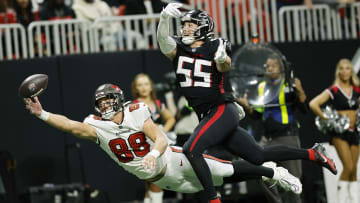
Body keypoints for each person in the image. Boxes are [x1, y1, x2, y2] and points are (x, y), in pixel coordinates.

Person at [156, 3, 337, 202]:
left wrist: (222, 58)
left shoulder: (216, 45)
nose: (186, 28)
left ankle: (212, 199)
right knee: (258, 156)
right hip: (208, 114)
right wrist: (164, 19)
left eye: (191, 25)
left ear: (204, 27)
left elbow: (224, 66)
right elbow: (163, 40)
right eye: (185, 25)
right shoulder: (178, 49)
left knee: (191, 150)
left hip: (221, 109)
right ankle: (313, 154)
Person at [23, 84, 303, 199]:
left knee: (225, 170)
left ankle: (273, 171)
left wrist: (154, 155)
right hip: (163, 178)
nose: (105, 105)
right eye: (102, 102)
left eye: (109, 100)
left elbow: (158, 137)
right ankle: (267, 172)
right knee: (212, 184)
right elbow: (71, 126)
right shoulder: (97, 125)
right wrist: (42, 113)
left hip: (171, 158)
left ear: (119, 100)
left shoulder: (136, 111)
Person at [237, 55, 307, 203]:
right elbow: (257, 114)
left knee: (293, 180)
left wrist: (300, 91)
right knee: (262, 170)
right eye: (267, 66)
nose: (269, 69)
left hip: (287, 137)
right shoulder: (262, 86)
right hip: (267, 139)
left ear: (281, 68)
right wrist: (247, 107)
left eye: (272, 66)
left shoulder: (288, 84)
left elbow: (303, 109)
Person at [309, 58, 360, 203]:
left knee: (354, 170)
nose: (345, 71)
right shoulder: (334, 90)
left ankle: (355, 200)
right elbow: (313, 104)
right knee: (348, 167)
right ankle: (341, 199)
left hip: (354, 131)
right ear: (338, 71)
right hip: (339, 133)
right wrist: (327, 119)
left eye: (347, 68)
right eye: (342, 68)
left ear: (351, 71)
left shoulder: (356, 90)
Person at [131, 73, 176, 203]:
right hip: (143, 146)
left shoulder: (157, 103)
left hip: (157, 145)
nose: (144, 88)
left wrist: (162, 131)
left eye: (146, 84)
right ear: (136, 88)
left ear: (151, 86)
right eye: (140, 85)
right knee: (153, 179)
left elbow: (171, 118)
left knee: (155, 179)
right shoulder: (133, 106)